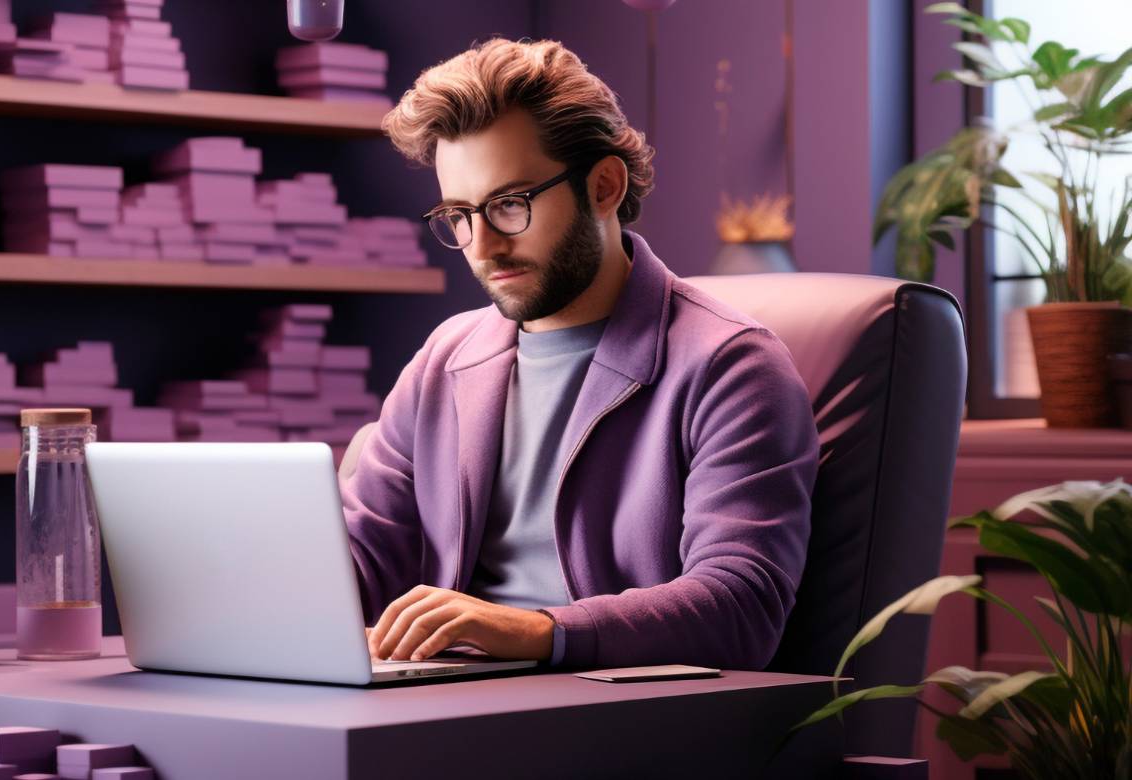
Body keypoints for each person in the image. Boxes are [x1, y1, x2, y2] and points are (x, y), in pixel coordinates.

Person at [344, 38, 819, 670]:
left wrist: (535, 630)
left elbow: (741, 607)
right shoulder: (443, 361)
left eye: (510, 205)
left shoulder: (732, 367)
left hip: (618, 716)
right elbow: (360, 563)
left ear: (603, 186)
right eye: (460, 214)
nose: (481, 246)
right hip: (448, 702)